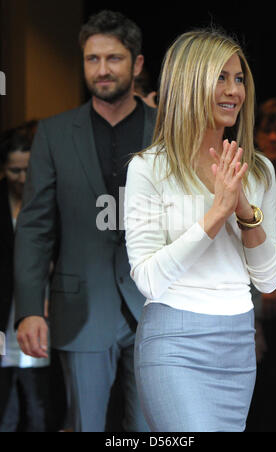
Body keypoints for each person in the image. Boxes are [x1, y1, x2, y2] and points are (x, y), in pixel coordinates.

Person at [124, 29, 276, 432]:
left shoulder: (259, 170)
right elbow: (148, 279)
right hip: (173, 344)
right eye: (220, 77)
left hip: (237, 342)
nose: (234, 90)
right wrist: (216, 213)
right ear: (189, 82)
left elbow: (270, 279)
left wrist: (245, 209)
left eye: (239, 78)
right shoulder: (148, 167)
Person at [14, 10, 156, 432]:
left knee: (153, 430)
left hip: (155, 304)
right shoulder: (55, 134)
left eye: (113, 58)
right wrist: (28, 309)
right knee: (85, 425)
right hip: (80, 305)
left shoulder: (165, 130)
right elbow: (36, 227)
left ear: (138, 64)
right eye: (92, 59)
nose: (102, 69)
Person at [247, 98, 276, 431]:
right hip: (252, 288)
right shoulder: (252, 172)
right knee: (256, 369)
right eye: (268, 131)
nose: (274, 138)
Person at [0, 129, 51, 432]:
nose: (21, 177)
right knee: (4, 393)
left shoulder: (47, 196)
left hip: (40, 305)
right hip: (3, 307)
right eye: (13, 170)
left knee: (38, 394)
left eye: (26, 170)